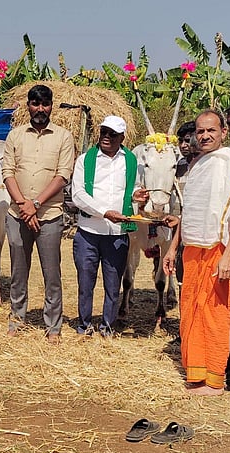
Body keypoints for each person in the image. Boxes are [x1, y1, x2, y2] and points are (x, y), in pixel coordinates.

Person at [162, 109, 230, 395]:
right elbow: (188, 213)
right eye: (200, 131)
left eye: (211, 131)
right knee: (190, 309)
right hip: (191, 250)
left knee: (214, 313)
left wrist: (228, 255)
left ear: (223, 132)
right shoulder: (197, 165)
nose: (204, 136)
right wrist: (172, 248)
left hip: (217, 250)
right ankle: (195, 371)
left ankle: (214, 378)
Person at [2, 85, 76, 342]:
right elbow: (8, 173)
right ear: (28, 105)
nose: (40, 109)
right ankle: (16, 319)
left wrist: (35, 203)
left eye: (45, 104)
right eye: (35, 104)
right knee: (18, 272)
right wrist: (23, 204)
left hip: (50, 215)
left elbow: (63, 175)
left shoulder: (64, 137)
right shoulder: (15, 136)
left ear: (52, 106)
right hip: (17, 214)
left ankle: (53, 326)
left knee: (52, 273)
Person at [70, 115, 141, 337]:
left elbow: (134, 189)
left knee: (113, 284)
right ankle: (84, 325)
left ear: (122, 137)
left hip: (117, 234)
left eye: (112, 134)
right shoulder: (85, 160)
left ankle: (108, 326)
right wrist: (105, 213)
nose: (106, 138)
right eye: (103, 132)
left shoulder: (130, 161)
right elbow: (78, 195)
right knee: (85, 282)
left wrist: (139, 196)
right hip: (89, 231)